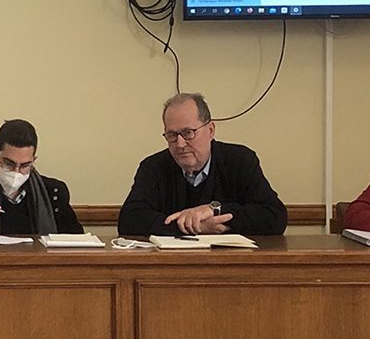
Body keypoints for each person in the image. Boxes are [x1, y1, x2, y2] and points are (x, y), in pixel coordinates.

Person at [118, 93, 287, 237]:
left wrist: (214, 210)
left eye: (188, 133)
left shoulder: (240, 160)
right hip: (172, 262)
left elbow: (274, 217)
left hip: (230, 261)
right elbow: (129, 220)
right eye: (172, 135)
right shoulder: (153, 167)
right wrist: (196, 226)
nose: (180, 144)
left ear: (211, 130)